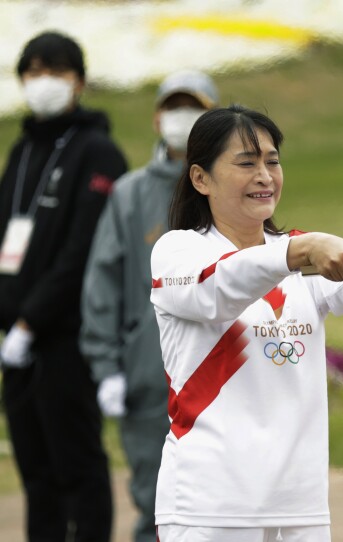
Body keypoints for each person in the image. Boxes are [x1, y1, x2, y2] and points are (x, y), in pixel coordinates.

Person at [150, 104, 343, 541]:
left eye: (273, 161)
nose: (265, 175)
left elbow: (335, 293)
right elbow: (218, 288)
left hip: (299, 505)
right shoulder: (179, 253)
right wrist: (299, 252)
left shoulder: (294, 252)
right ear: (200, 178)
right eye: (246, 163)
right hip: (213, 506)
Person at [80, 70, 219, 542]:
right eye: (175, 108)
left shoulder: (229, 190)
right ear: (158, 119)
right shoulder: (130, 193)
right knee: (156, 506)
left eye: (195, 108)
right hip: (147, 376)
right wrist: (107, 368)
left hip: (219, 375)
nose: (184, 119)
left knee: (219, 507)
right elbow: (103, 280)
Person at [0, 31, 128, 541]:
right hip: (15, 340)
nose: (42, 82)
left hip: (65, 337)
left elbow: (82, 253)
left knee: (77, 464)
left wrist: (31, 321)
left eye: (54, 71)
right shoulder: (22, 149)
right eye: (32, 72)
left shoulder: (98, 152)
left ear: (79, 81)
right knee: (35, 469)